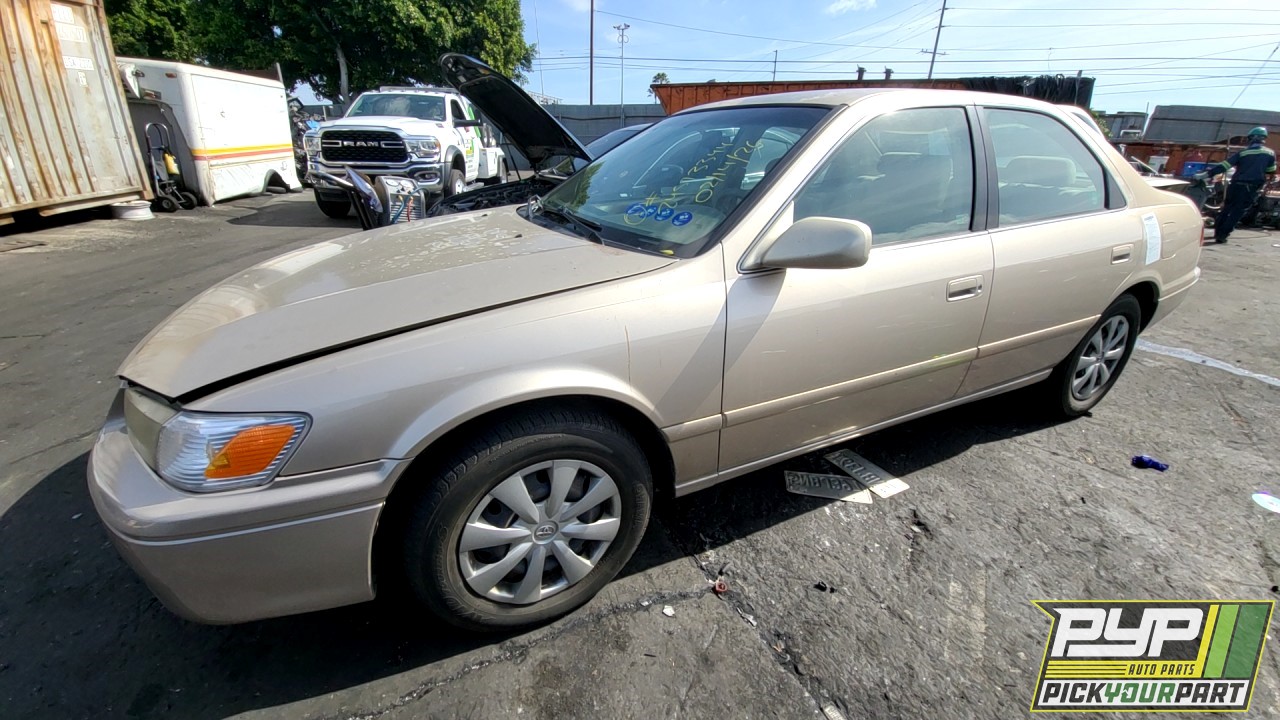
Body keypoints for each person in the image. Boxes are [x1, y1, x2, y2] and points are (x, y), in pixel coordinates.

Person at [1195, 127, 1277, 243]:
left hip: (1236, 185)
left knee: (1227, 208)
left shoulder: (1243, 153)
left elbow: (1225, 166)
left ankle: (1218, 232)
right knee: (1237, 212)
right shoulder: (1270, 153)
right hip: (1251, 188)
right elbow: (1271, 170)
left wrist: (1207, 174)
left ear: (1250, 138)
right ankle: (1222, 235)